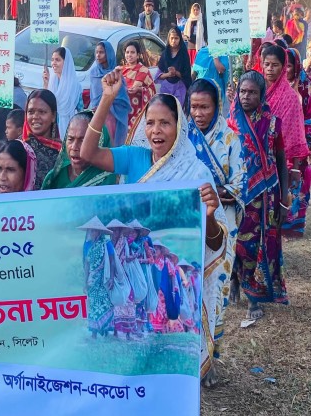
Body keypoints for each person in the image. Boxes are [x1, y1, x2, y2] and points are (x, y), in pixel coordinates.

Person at [81, 69, 229, 380]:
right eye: (150, 123)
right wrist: (106, 100)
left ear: (179, 127)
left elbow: (215, 244)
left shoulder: (195, 173)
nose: (156, 131)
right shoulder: (135, 157)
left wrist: (209, 217)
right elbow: (88, 153)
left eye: (165, 123)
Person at [187, 78, 244, 384]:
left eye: (205, 107)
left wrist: (213, 193)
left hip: (222, 224)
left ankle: (209, 361)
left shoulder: (230, 140)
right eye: (194, 107)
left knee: (214, 290)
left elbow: (239, 184)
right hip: (189, 221)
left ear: (217, 106)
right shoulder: (182, 137)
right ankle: (187, 358)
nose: (198, 113)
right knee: (188, 288)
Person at [226, 70, 290, 320]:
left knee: (257, 246)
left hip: (266, 196)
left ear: (261, 95)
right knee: (237, 243)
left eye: (252, 92)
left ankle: (253, 296)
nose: (246, 96)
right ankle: (235, 279)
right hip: (238, 195)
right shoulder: (230, 123)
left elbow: (281, 159)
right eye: (242, 91)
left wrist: (284, 198)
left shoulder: (272, 123)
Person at [260, 45, 310, 190]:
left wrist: (295, 168)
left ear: (283, 67)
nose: (270, 69)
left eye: (275, 65)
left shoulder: (290, 97)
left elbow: (296, 134)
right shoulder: (256, 90)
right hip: (256, 159)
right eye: (267, 64)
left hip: (282, 161)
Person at [284, 48, 311, 237]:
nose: (286, 70)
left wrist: (297, 130)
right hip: (282, 146)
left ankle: (297, 224)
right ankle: (283, 222)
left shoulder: (308, 89)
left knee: (300, 184)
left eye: (289, 66)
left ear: (296, 66)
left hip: (303, 146)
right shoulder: (276, 88)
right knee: (284, 183)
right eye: (284, 66)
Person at [42, 111, 115, 189]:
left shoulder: (110, 179)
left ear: (100, 142)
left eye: (82, 140)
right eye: (70, 139)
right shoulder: (54, 178)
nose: (74, 147)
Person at [78, 216, 116, 338]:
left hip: (104, 279)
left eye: (94, 230)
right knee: (94, 305)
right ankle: (94, 333)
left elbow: (112, 261)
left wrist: (111, 278)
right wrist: (85, 282)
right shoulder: (87, 245)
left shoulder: (106, 243)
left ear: (99, 232)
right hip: (92, 280)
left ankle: (106, 331)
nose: (92, 232)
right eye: (90, 230)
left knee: (106, 304)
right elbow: (87, 265)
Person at [89, 41, 131, 145]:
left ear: (109, 54)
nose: (98, 55)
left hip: (112, 115)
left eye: (101, 52)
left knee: (111, 143)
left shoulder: (115, 74)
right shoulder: (94, 73)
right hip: (97, 114)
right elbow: (93, 95)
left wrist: (108, 102)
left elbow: (122, 98)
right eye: (96, 52)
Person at [22, 89, 62, 190]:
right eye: (31, 112)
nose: (35, 117)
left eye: (42, 112)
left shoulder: (63, 152)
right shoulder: (19, 147)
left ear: (53, 116)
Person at [107, 219, 138, 339]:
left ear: (120, 231)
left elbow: (132, 254)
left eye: (117, 230)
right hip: (111, 274)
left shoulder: (125, 242)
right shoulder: (108, 243)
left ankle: (128, 332)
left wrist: (133, 256)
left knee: (128, 300)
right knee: (114, 302)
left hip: (123, 274)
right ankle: (115, 331)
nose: (115, 233)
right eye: (113, 230)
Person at [42, 47, 83, 137]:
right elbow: (45, 103)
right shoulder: (52, 81)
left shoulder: (74, 85)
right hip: (51, 126)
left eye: (57, 60)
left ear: (66, 62)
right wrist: (46, 84)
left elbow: (80, 110)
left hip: (68, 126)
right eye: (52, 60)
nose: (53, 63)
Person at [122, 41, 157, 130]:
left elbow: (152, 91)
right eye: (127, 52)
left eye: (132, 52)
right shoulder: (121, 70)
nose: (129, 55)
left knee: (133, 134)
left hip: (137, 112)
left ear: (137, 55)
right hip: (122, 110)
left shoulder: (143, 70)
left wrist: (140, 90)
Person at [157, 27, 193, 108]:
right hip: (166, 89)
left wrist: (176, 72)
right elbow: (158, 76)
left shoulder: (184, 55)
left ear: (180, 39)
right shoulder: (165, 54)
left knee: (177, 112)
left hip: (180, 89)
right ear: (168, 39)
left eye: (176, 38)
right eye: (172, 38)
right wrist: (168, 74)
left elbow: (187, 76)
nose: (174, 41)